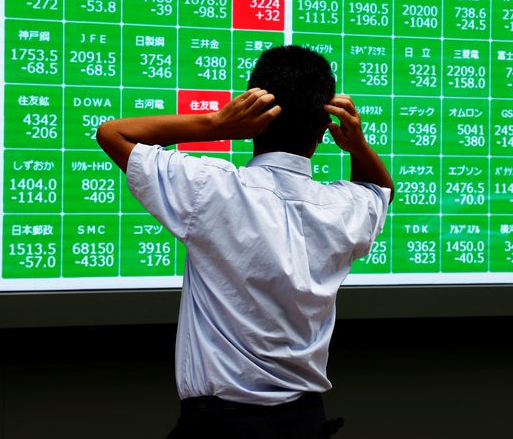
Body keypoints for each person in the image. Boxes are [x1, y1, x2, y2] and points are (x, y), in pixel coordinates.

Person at [96, 45, 394, 438]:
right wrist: (357, 144)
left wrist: (216, 125)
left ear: (253, 114)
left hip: (218, 428)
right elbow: (379, 188)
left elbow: (111, 133)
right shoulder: (345, 208)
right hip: (306, 425)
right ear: (325, 129)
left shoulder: (211, 188)